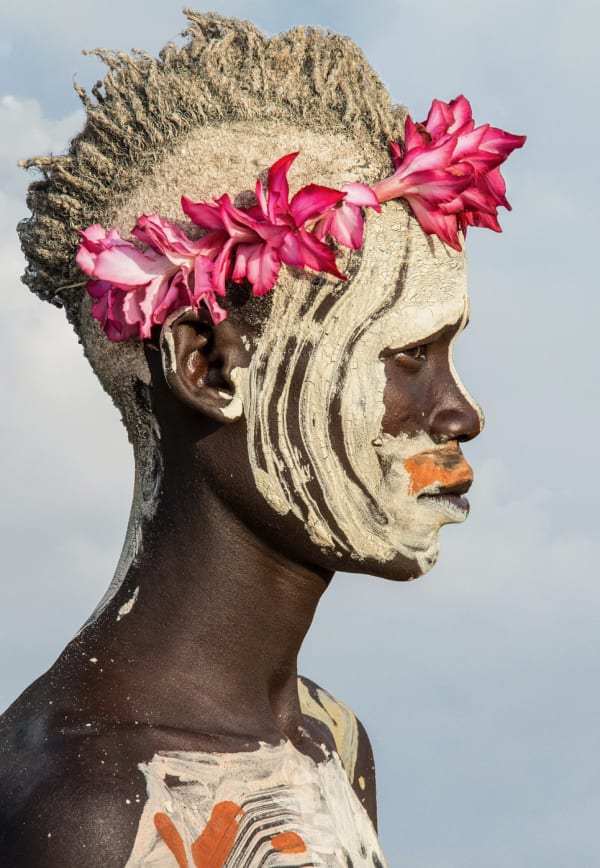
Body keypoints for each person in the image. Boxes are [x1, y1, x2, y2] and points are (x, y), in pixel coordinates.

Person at [0, 12, 524, 866]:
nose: (460, 414)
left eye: (448, 355)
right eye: (408, 357)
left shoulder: (332, 742)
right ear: (208, 367)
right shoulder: (89, 805)